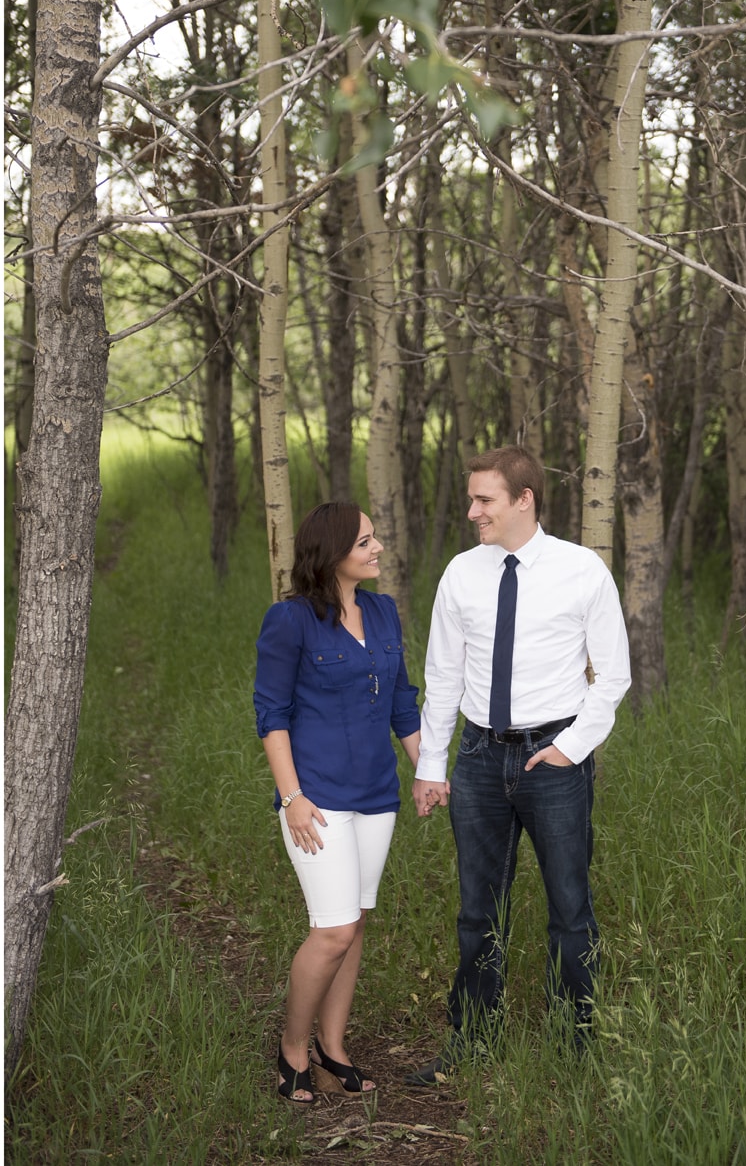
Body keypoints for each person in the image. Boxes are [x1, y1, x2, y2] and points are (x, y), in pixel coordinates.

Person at [406, 446, 631, 1086]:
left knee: (569, 906)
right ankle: (474, 1036)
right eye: (472, 498)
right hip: (478, 758)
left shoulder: (581, 570)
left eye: (485, 500)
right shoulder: (461, 573)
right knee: (478, 907)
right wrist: (433, 765)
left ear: (524, 499)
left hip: (553, 755)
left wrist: (571, 747)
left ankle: (575, 1041)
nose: (473, 510)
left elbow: (612, 675)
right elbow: (443, 676)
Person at [254, 502, 423, 1102]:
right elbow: (271, 716)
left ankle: (333, 1046)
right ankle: (292, 1049)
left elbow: (402, 700)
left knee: (355, 925)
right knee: (334, 929)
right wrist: (292, 797)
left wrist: (425, 770)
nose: (378, 548)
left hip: (378, 795)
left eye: (375, 538)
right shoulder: (290, 620)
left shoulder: (382, 612)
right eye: (365, 541)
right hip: (317, 799)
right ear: (331, 554)